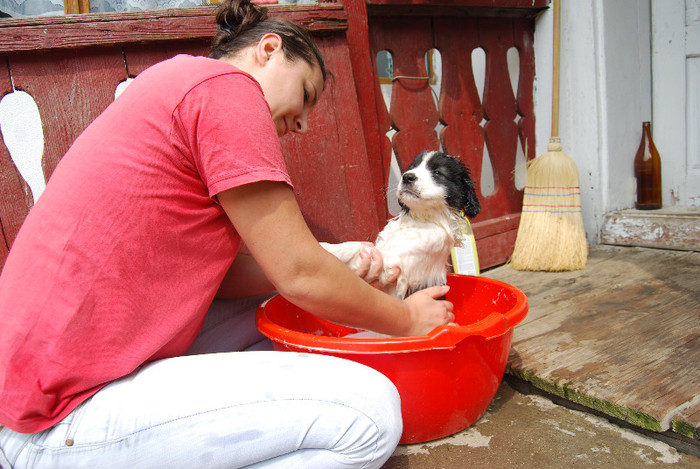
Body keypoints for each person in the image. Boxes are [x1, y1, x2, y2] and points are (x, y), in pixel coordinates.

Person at [0, 0, 455, 467]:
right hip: (58, 416)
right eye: (305, 92)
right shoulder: (227, 90)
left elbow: (236, 278)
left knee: (272, 323)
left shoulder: (176, 79)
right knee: (371, 416)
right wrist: (407, 322)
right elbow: (298, 273)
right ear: (270, 49)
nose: (302, 123)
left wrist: (341, 269)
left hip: (33, 388)